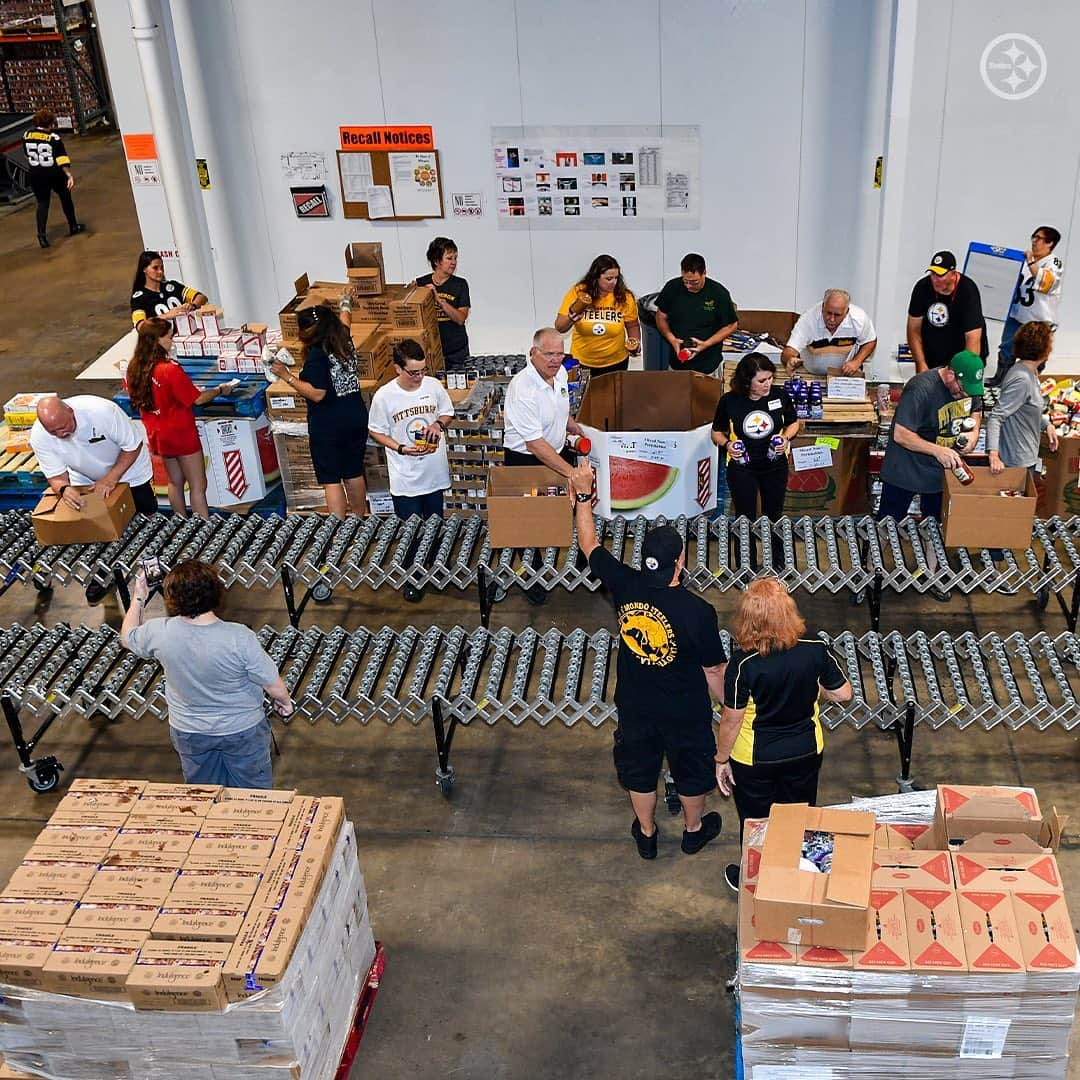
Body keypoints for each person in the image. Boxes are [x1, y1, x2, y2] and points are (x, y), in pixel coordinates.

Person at [570, 460, 728, 860]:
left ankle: (647, 832)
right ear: (680, 561)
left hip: (636, 702)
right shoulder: (698, 611)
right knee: (692, 769)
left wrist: (584, 496)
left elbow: (589, 546)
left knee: (640, 767)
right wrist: (730, 708)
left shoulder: (625, 583)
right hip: (684, 708)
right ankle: (693, 831)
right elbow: (713, 669)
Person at [715, 578, 852, 891]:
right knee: (798, 817)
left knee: (756, 821)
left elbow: (732, 720)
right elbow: (843, 694)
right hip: (805, 750)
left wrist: (721, 759)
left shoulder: (743, 663)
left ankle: (755, 880)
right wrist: (815, 687)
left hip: (755, 758)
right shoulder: (816, 647)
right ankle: (798, 878)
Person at [121, 559, 294, 787]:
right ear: (216, 593)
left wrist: (139, 596)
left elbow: (127, 636)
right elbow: (274, 686)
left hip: (190, 732)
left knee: (205, 796)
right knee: (254, 801)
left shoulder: (160, 633)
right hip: (242, 730)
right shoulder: (238, 637)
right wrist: (285, 704)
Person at [30, 394, 158, 604]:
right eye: (54, 432)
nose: (61, 434)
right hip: (86, 479)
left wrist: (110, 479)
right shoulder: (40, 435)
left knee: (147, 523)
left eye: (64, 427)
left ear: (71, 411)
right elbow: (55, 474)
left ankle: (154, 574)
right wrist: (64, 489)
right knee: (98, 530)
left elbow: (132, 446)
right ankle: (102, 576)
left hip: (131, 473)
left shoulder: (102, 412)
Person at [878, 350, 984, 600]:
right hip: (906, 467)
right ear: (950, 374)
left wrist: (973, 436)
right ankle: (871, 574)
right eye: (961, 388)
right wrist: (937, 450)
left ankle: (931, 574)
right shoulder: (921, 388)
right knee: (886, 523)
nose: (965, 394)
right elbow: (901, 434)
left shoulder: (970, 386)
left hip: (939, 472)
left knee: (934, 524)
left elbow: (977, 412)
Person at [502, 327, 587, 605]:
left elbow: (562, 411)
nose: (555, 360)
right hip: (525, 460)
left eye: (559, 354)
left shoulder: (559, 374)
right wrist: (571, 473)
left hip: (557, 451)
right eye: (549, 354)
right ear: (533, 353)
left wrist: (579, 430)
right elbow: (534, 444)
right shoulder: (522, 389)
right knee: (527, 522)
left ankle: (585, 566)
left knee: (570, 510)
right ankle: (531, 575)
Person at [368, 339, 455, 603]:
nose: (419, 377)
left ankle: (436, 569)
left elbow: (447, 411)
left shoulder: (433, 386)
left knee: (434, 525)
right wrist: (400, 448)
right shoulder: (384, 396)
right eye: (413, 372)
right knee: (411, 531)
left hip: (434, 472)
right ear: (397, 369)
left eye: (422, 371)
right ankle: (412, 577)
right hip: (406, 477)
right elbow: (375, 430)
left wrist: (438, 425)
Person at [125, 318, 235, 518]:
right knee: (198, 485)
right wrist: (220, 390)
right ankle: (203, 527)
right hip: (181, 435)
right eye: (168, 338)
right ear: (157, 341)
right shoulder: (169, 370)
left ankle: (180, 522)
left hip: (158, 435)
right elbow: (199, 399)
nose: (172, 342)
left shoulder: (134, 368)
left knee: (175, 482)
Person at [271, 303, 368, 518]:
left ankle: (339, 528)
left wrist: (286, 375)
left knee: (331, 479)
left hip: (329, 425)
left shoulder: (317, 355)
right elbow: (345, 320)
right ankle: (361, 521)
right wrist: (346, 303)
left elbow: (317, 394)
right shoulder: (344, 340)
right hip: (355, 417)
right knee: (353, 472)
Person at [712, 353, 799, 525]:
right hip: (742, 468)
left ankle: (777, 552)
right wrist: (728, 444)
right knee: (744, 519)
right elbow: (716, 433)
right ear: (746, 382)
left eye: (770, 378)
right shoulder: (729, 401)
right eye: (761, 381)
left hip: (774, 466)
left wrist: (786, 438)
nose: (768, 384)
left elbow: (794, 423)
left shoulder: (779, 396)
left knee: (775, 516)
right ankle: (745, 552)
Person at [990, 226, 1064, 387]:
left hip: (1039, 319)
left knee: (1035, 354)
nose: (1034, 241)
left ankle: (1028, 385)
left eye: (1039, 238)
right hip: (1017, 314)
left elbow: (1047, 283)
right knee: (1007, 348)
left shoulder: (1054, 263)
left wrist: (1031, 261)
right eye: (1033, 237)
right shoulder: (1023, 260)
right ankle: (1000, 380)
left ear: (1050, 243)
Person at [986, 321, 1058, 477]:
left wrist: (1047, 425)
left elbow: (1027, 409)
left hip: (1025, 457)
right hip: (1017, 463)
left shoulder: (1028, 371)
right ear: (1044, 349)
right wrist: (993, 455)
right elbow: (996, 417)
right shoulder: (1022, 379)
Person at [554, 255, 641, 373]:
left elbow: (632, 325)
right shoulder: (578, 292)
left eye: (616, 278)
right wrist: (571, 319)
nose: (614, 283)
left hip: (616, 362)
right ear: (596, 278)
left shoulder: (624, 297)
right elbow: (560, 328)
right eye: (609, 279)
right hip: (583, 362)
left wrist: (634, 342)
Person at [654, 253, 738, 375]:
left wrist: (706, 344)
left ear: (704, 273)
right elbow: (661, 316)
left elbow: (731, 325)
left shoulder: (718, 293)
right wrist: (671, 339)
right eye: (685, 281)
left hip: (708, 365)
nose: (688, 286)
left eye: (694, 282)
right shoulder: (672, 288)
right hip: (678, 365)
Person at [907, 251, 988, 372]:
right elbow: (913, 329)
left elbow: (973, 338)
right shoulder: (922, 287)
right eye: (933, 274)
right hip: (933, 356)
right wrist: (920, 363)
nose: (935, 280)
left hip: (961, 353)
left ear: (953, 274)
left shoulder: (968, 290)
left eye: (940, 275)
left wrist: (965, 372)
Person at [23, 109, 85, 249]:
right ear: (50, 123)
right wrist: (69, 175)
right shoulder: (54, 138)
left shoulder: (27, 135)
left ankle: (42, 236)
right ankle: (73, 226)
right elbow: (61, 158)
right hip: (53, 174)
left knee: (42, 204)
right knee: (65, 197)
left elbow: (27, 154)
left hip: (36, 174)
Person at [782, 289, 877, 377]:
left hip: (844, 376)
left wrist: (857, 361)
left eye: (837, 315)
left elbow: (870, 341)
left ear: (847, 312)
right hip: (811, 374)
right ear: (823, 307)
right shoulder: (808, 319)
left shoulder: (859, 318)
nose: (831, 319)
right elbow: (789, 350)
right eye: (828, 313)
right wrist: (790, 359)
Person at [413, 237, 471, 367]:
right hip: (430, 351)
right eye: (449, 258)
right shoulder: (421, 283)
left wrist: (440, 301)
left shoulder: (460, 284)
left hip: (456, 352)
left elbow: (461, 319)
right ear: (436, 261)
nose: (454, 262)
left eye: (455, 258)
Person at [131, 251, 208, 327]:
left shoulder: (173, 286)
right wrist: (166, 316)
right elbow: (140, 326)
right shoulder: (138, 298)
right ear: (144, 269)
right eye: (155, 268)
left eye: (162, 267)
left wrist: (192, 305)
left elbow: (202, 297)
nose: (160, 271)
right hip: (162, 338)